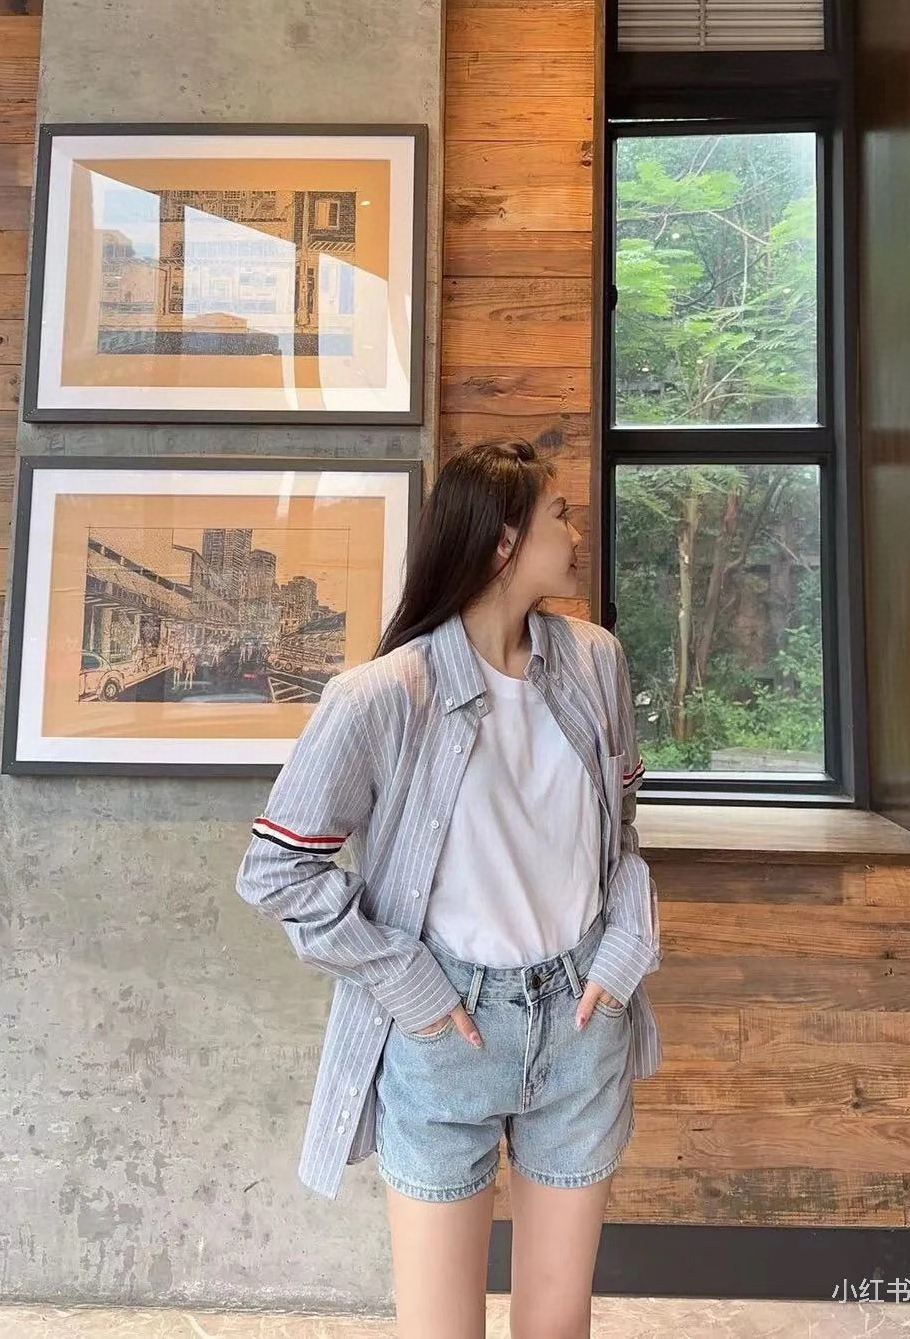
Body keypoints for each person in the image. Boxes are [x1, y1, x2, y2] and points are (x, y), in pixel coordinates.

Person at [235, 438, 662, 1338]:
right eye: (559, 516)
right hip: (447, 1032)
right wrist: (410, 984)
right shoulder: (383, 696)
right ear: (504, 541)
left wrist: (626, 944)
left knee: (558, 1324)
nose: (575, 532)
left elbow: (620, 829)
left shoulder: (595, 663)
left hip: (583, 1022)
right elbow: (277, 869)